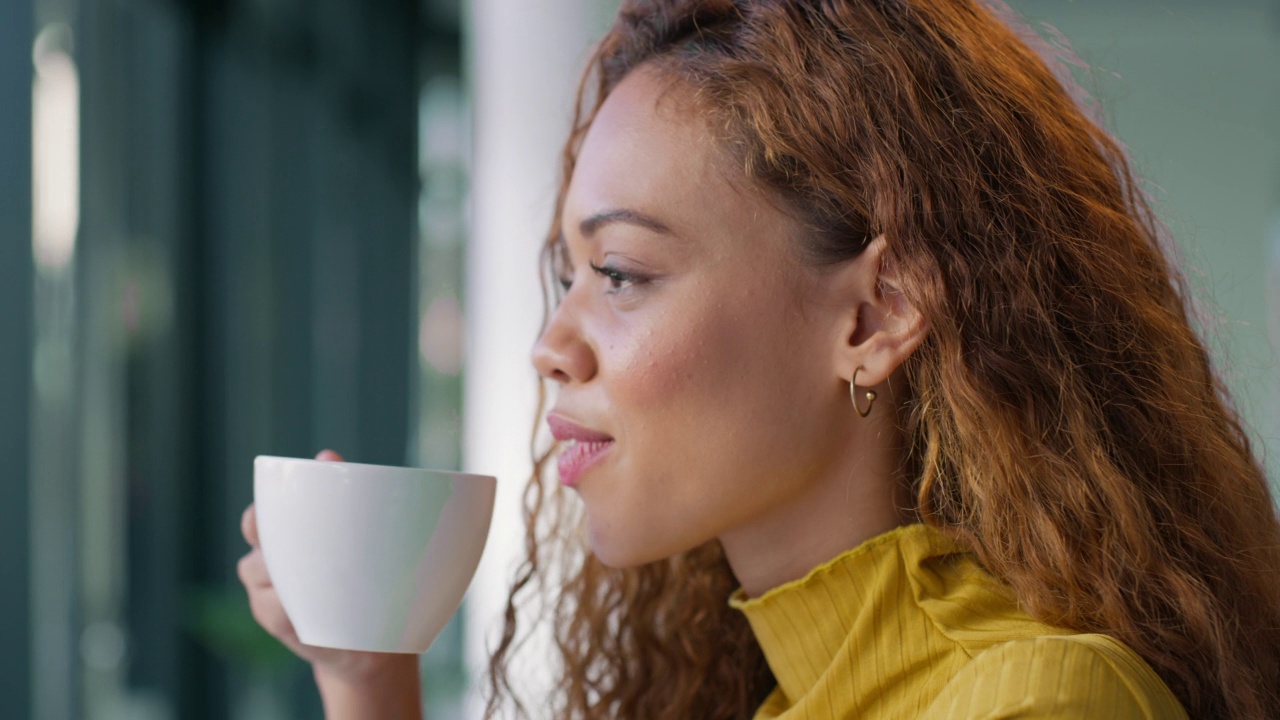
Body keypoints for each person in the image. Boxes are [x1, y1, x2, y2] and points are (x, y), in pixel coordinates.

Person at [237, 0, 1280, 718]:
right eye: (569, 276)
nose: (549, 349)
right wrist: (367, 676)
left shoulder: (1038, 703)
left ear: (875, 316)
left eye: (622, 272)